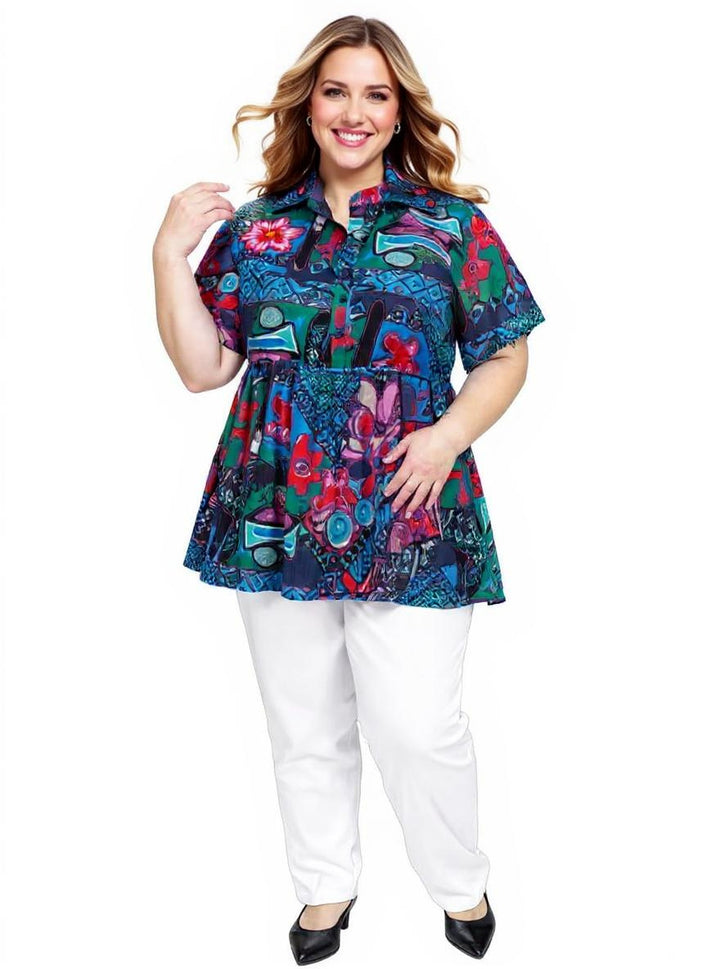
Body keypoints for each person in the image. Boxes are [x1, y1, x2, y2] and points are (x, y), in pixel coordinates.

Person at [153, 15, 545, 964]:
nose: (354, 111)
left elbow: (505, 353)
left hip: (412, 507)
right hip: (274, 506)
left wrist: (448, 436)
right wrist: (168, 254)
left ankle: (458, 879)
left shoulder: (450, 226)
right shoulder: (257, 231)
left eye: (376, 93)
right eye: (336, 91)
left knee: (418, 724)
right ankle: (325, 886)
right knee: (304, 721)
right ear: (310, 105)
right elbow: (204, 368)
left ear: (400, 110)